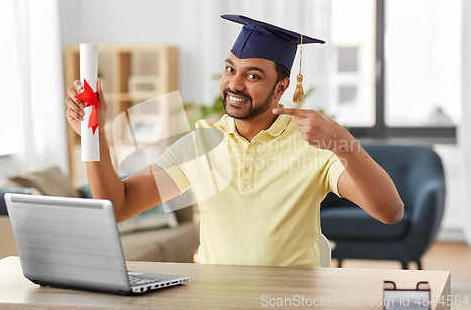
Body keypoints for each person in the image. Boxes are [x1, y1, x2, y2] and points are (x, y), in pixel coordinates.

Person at [65, 14, 404, 267]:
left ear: (281, 88)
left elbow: (390, 212)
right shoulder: (201, 144)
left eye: (252, 75)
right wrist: (94, 133)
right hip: (219, 299)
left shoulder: (313, 146)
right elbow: (119, 205)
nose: (235, 84)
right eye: (230, 69)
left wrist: (340, 140)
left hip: (294, 299)